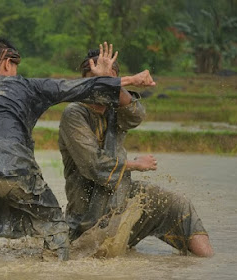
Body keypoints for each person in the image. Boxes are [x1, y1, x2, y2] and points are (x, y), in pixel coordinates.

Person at [0, 38, 146, 261]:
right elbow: (70, 88)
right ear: (6, 63)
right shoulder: (28, 86)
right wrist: (126, 79)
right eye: (14, 66)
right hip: (18, 175)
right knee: (56, 231)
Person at [58, 48, 214, 257]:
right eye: (94, 81)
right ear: (84, 83)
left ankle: (209, 261)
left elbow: (136, 116)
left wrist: (111, 83)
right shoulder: (75, 114)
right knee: (92, 255)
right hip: (89, 219)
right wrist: (135, 164)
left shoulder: (115, 108)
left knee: (178, 206)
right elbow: (93, 166)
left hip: (122, 197)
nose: (101, 87)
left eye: (107, 82)